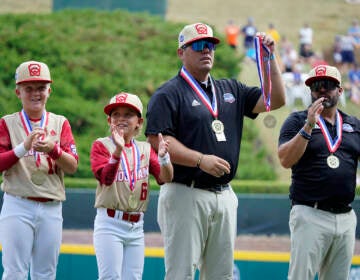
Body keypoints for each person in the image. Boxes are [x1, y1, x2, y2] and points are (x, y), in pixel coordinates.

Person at [145, 22, 286, 280]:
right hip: (185, 193)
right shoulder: (168, 93)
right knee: (181, 274)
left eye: (210, 45)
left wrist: (270, 59)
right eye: (198, 46)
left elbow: (275, 100)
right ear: (181, 52)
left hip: (224, 194)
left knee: (222, 276)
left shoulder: (230, 89)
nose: (206, 51)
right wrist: (200, 160)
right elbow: (159, 140)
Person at [278, 64, 360, 280]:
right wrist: (308, 126)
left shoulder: (354, 125)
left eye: (328, 85)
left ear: (340, 91)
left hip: (345, 216)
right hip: (310, 214)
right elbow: (285, 160)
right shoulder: (296, 120)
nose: (322, 90)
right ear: (310, 91)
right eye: (316, 86)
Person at [0, 60, 79, 279]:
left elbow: (72, 165)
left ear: (49, 91)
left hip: (51, 206)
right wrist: (22, 147)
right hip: (18, 202)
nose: (36, 93)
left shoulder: (60, 123)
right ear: (18, 92)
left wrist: (54, 150)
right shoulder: (7, 123)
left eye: (41, 88)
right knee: (15, 272)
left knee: (45, 274)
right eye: (29, 88)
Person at [90, 92, 173, 280]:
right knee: (110, 277)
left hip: (136, 225)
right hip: (110, 222)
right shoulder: (101, 145)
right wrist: (118, 150)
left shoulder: (144, 148)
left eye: (127, 114)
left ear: (139, 122)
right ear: (108, 120)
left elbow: (165, 178)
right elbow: (106, 178)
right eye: (115, 114)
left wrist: (164, 158)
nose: (120, 119)